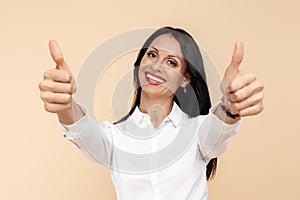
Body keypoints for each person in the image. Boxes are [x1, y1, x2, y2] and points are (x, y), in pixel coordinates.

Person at [39, 27, 264, 200]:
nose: (157, 66)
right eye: (152, 55)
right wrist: (65, 104)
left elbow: (219, 128)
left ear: (185, 79)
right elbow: (83, 134)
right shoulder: (115, 137)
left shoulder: (197, 132)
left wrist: (231, 105)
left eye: (172, 62)